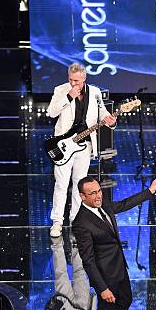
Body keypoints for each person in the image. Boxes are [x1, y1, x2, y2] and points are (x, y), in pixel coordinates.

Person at [72, 175, 156, 310]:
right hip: (106, 276)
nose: (98, 196)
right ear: (82, 196)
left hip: (119, 268)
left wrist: (149, 192)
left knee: (126, 300)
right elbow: (88, 260)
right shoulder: (81, 223)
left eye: (99, 191)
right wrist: (102, 288)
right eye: (92, 193)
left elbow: (123, 204)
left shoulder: (103, 205)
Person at [47, 62, 117, 238]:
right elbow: (51, 112)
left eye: (76, 80)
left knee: (80, 184)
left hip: (84, 145)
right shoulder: (61, 90)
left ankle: (75, 220)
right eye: (70, 79)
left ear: (84, 78)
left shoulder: (94, 93)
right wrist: (68, 97)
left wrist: (111, 120)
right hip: (64, 145)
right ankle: (57, 222)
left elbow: (102, 112)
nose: (73, 83)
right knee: (61, 184)